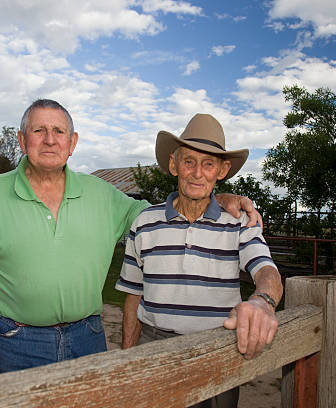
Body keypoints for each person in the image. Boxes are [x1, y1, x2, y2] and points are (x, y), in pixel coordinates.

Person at [0, 99, 263, 380]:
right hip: (15, 344)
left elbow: (165, 214)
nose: (50, 139)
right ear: (22, 140)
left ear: (72, 143)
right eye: (39, 130)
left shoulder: (102, 194)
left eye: (59, 131)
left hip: (87, 339)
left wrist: (215, 197)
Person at [116, 113, 283, 408]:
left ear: (222, 169)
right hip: (153, 349)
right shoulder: (144, 222)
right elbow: (133, 296)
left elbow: (267, 271)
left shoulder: (239, 222)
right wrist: (128, 359)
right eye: (189, 161)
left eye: (208, 164)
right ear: (173, 164)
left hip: (216, 349)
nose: (197, 173)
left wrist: (262, 302)